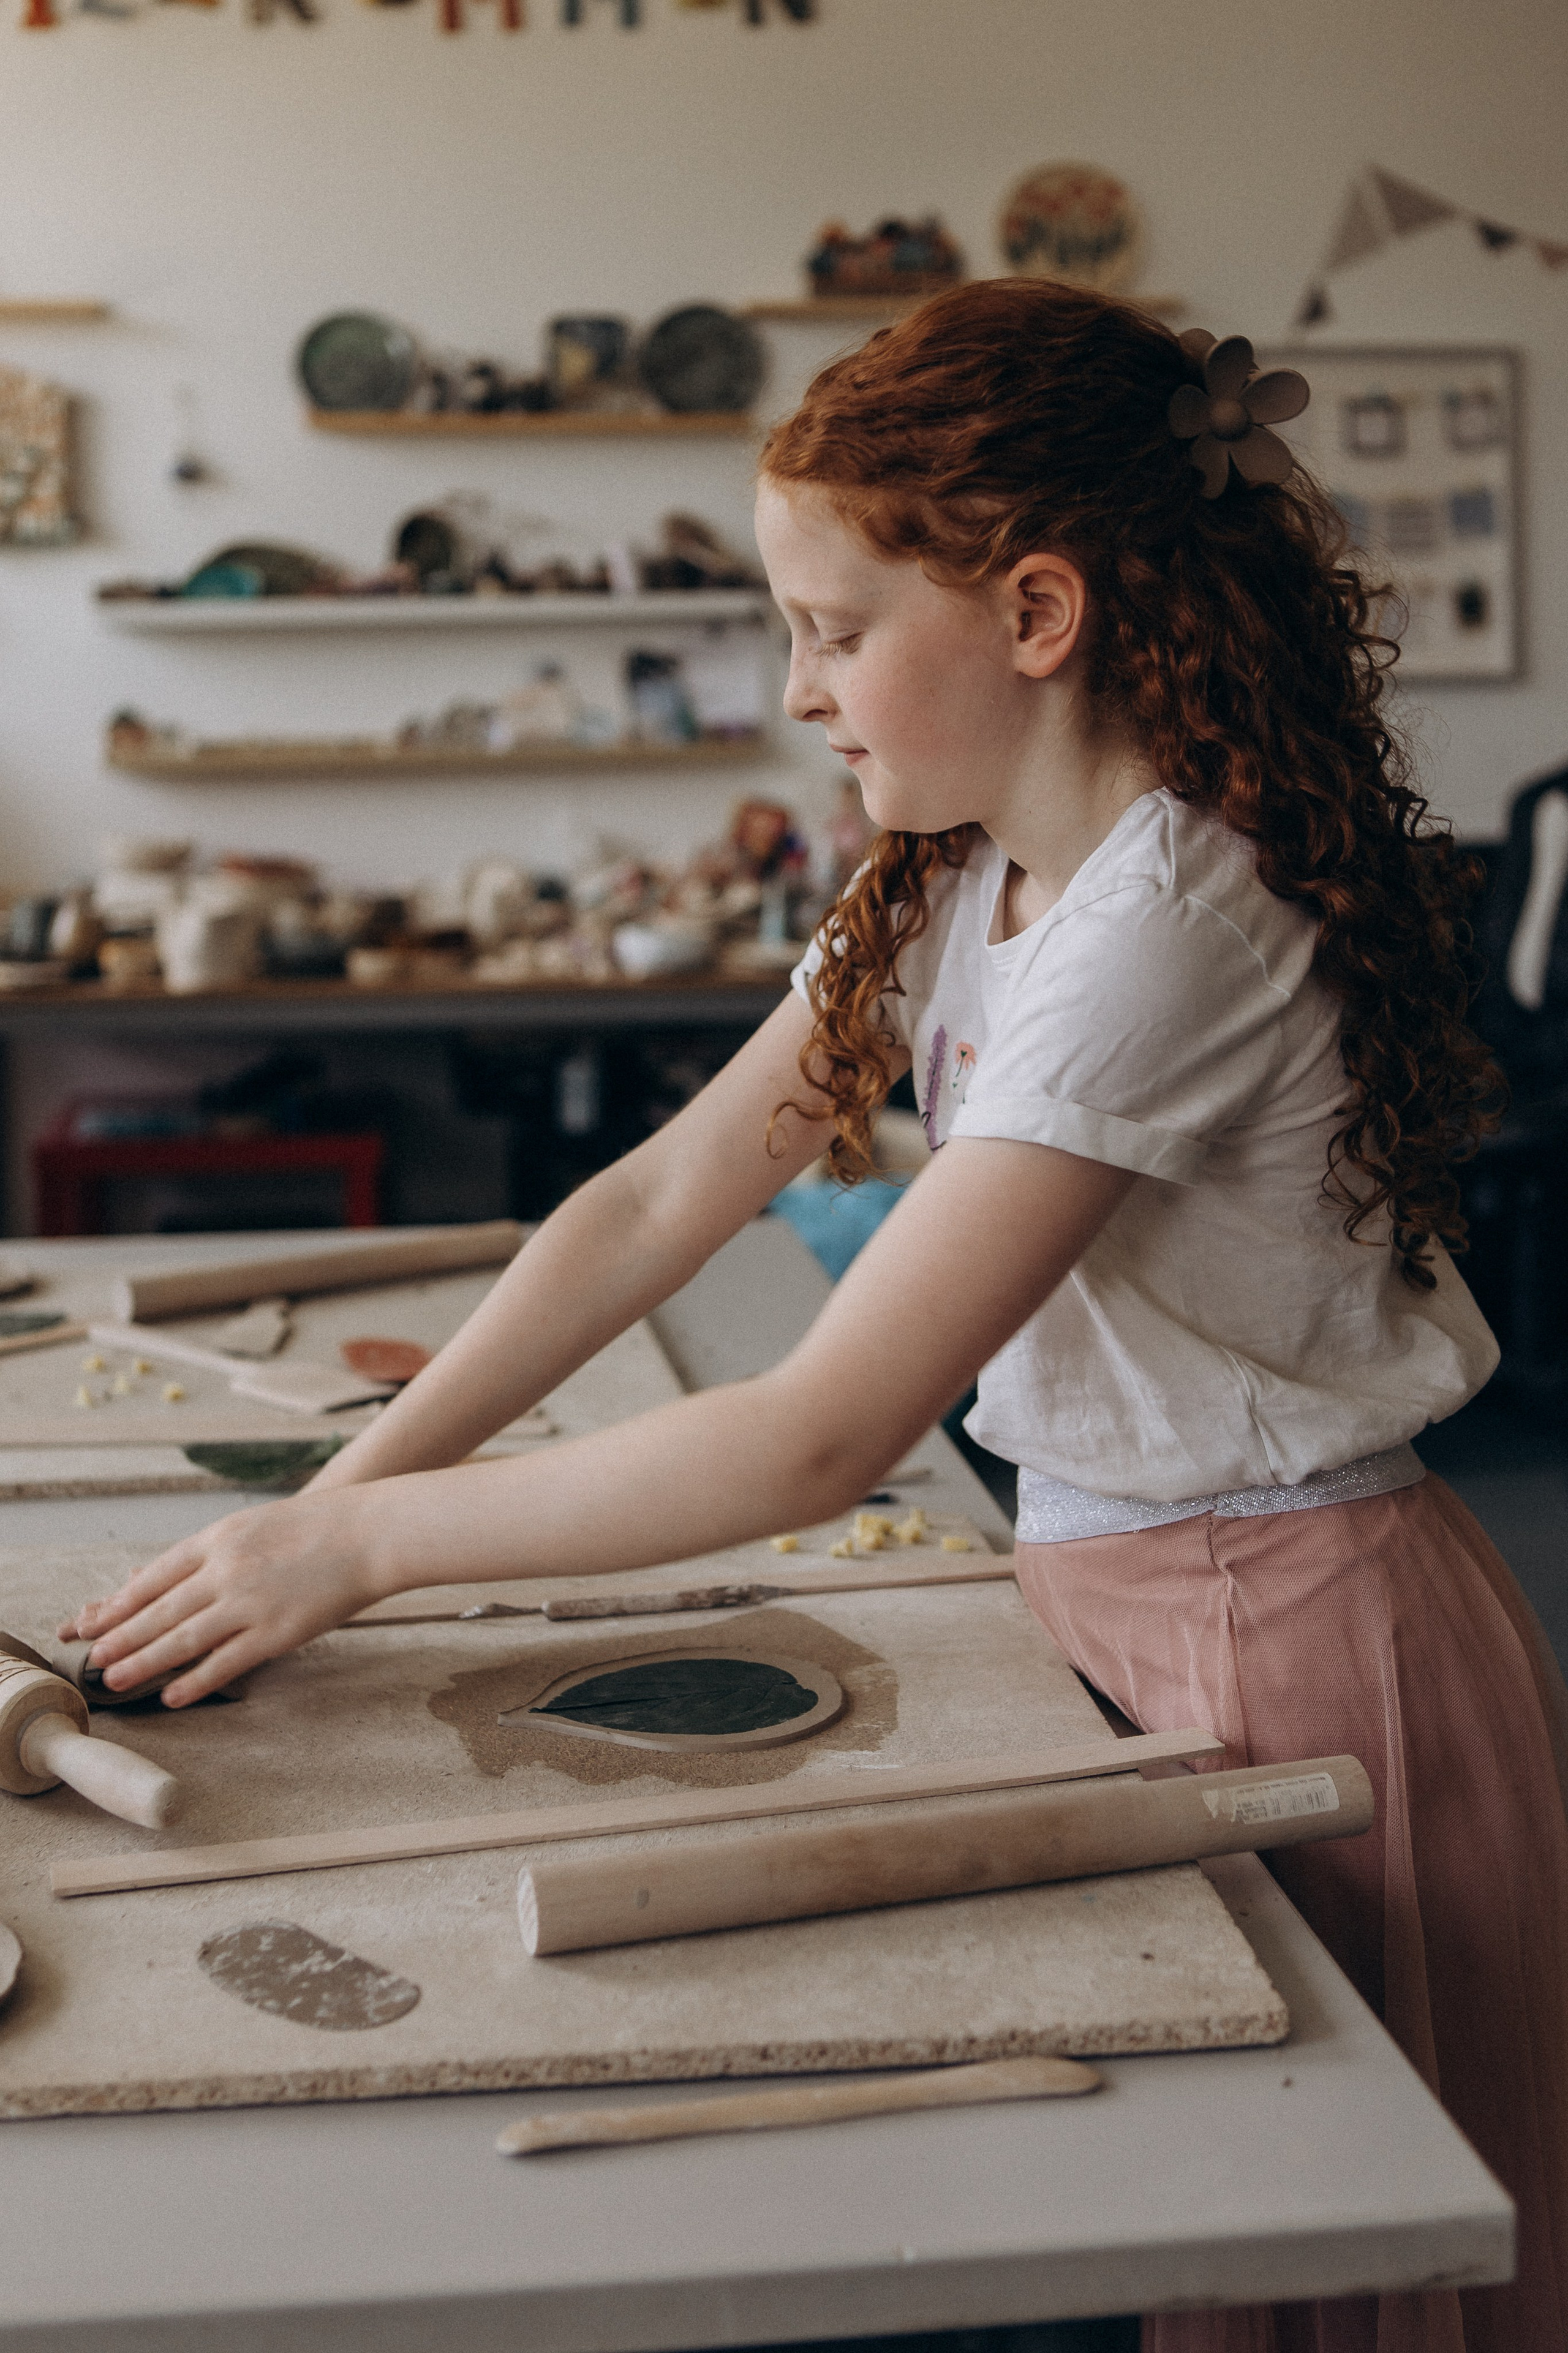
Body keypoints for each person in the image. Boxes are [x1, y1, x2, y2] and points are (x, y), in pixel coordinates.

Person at [66, 282, 1566, 2352]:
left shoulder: (1170, 923)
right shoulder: (967, 878)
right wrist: (333, 1500)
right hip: (1129, 1593)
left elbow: (820, 1433)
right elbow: (659, 1199)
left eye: (837, 631)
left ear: (1038, 612)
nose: (797, 691)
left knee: (1328, 2277)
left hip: (1296, 1634)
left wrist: (362, 1548)